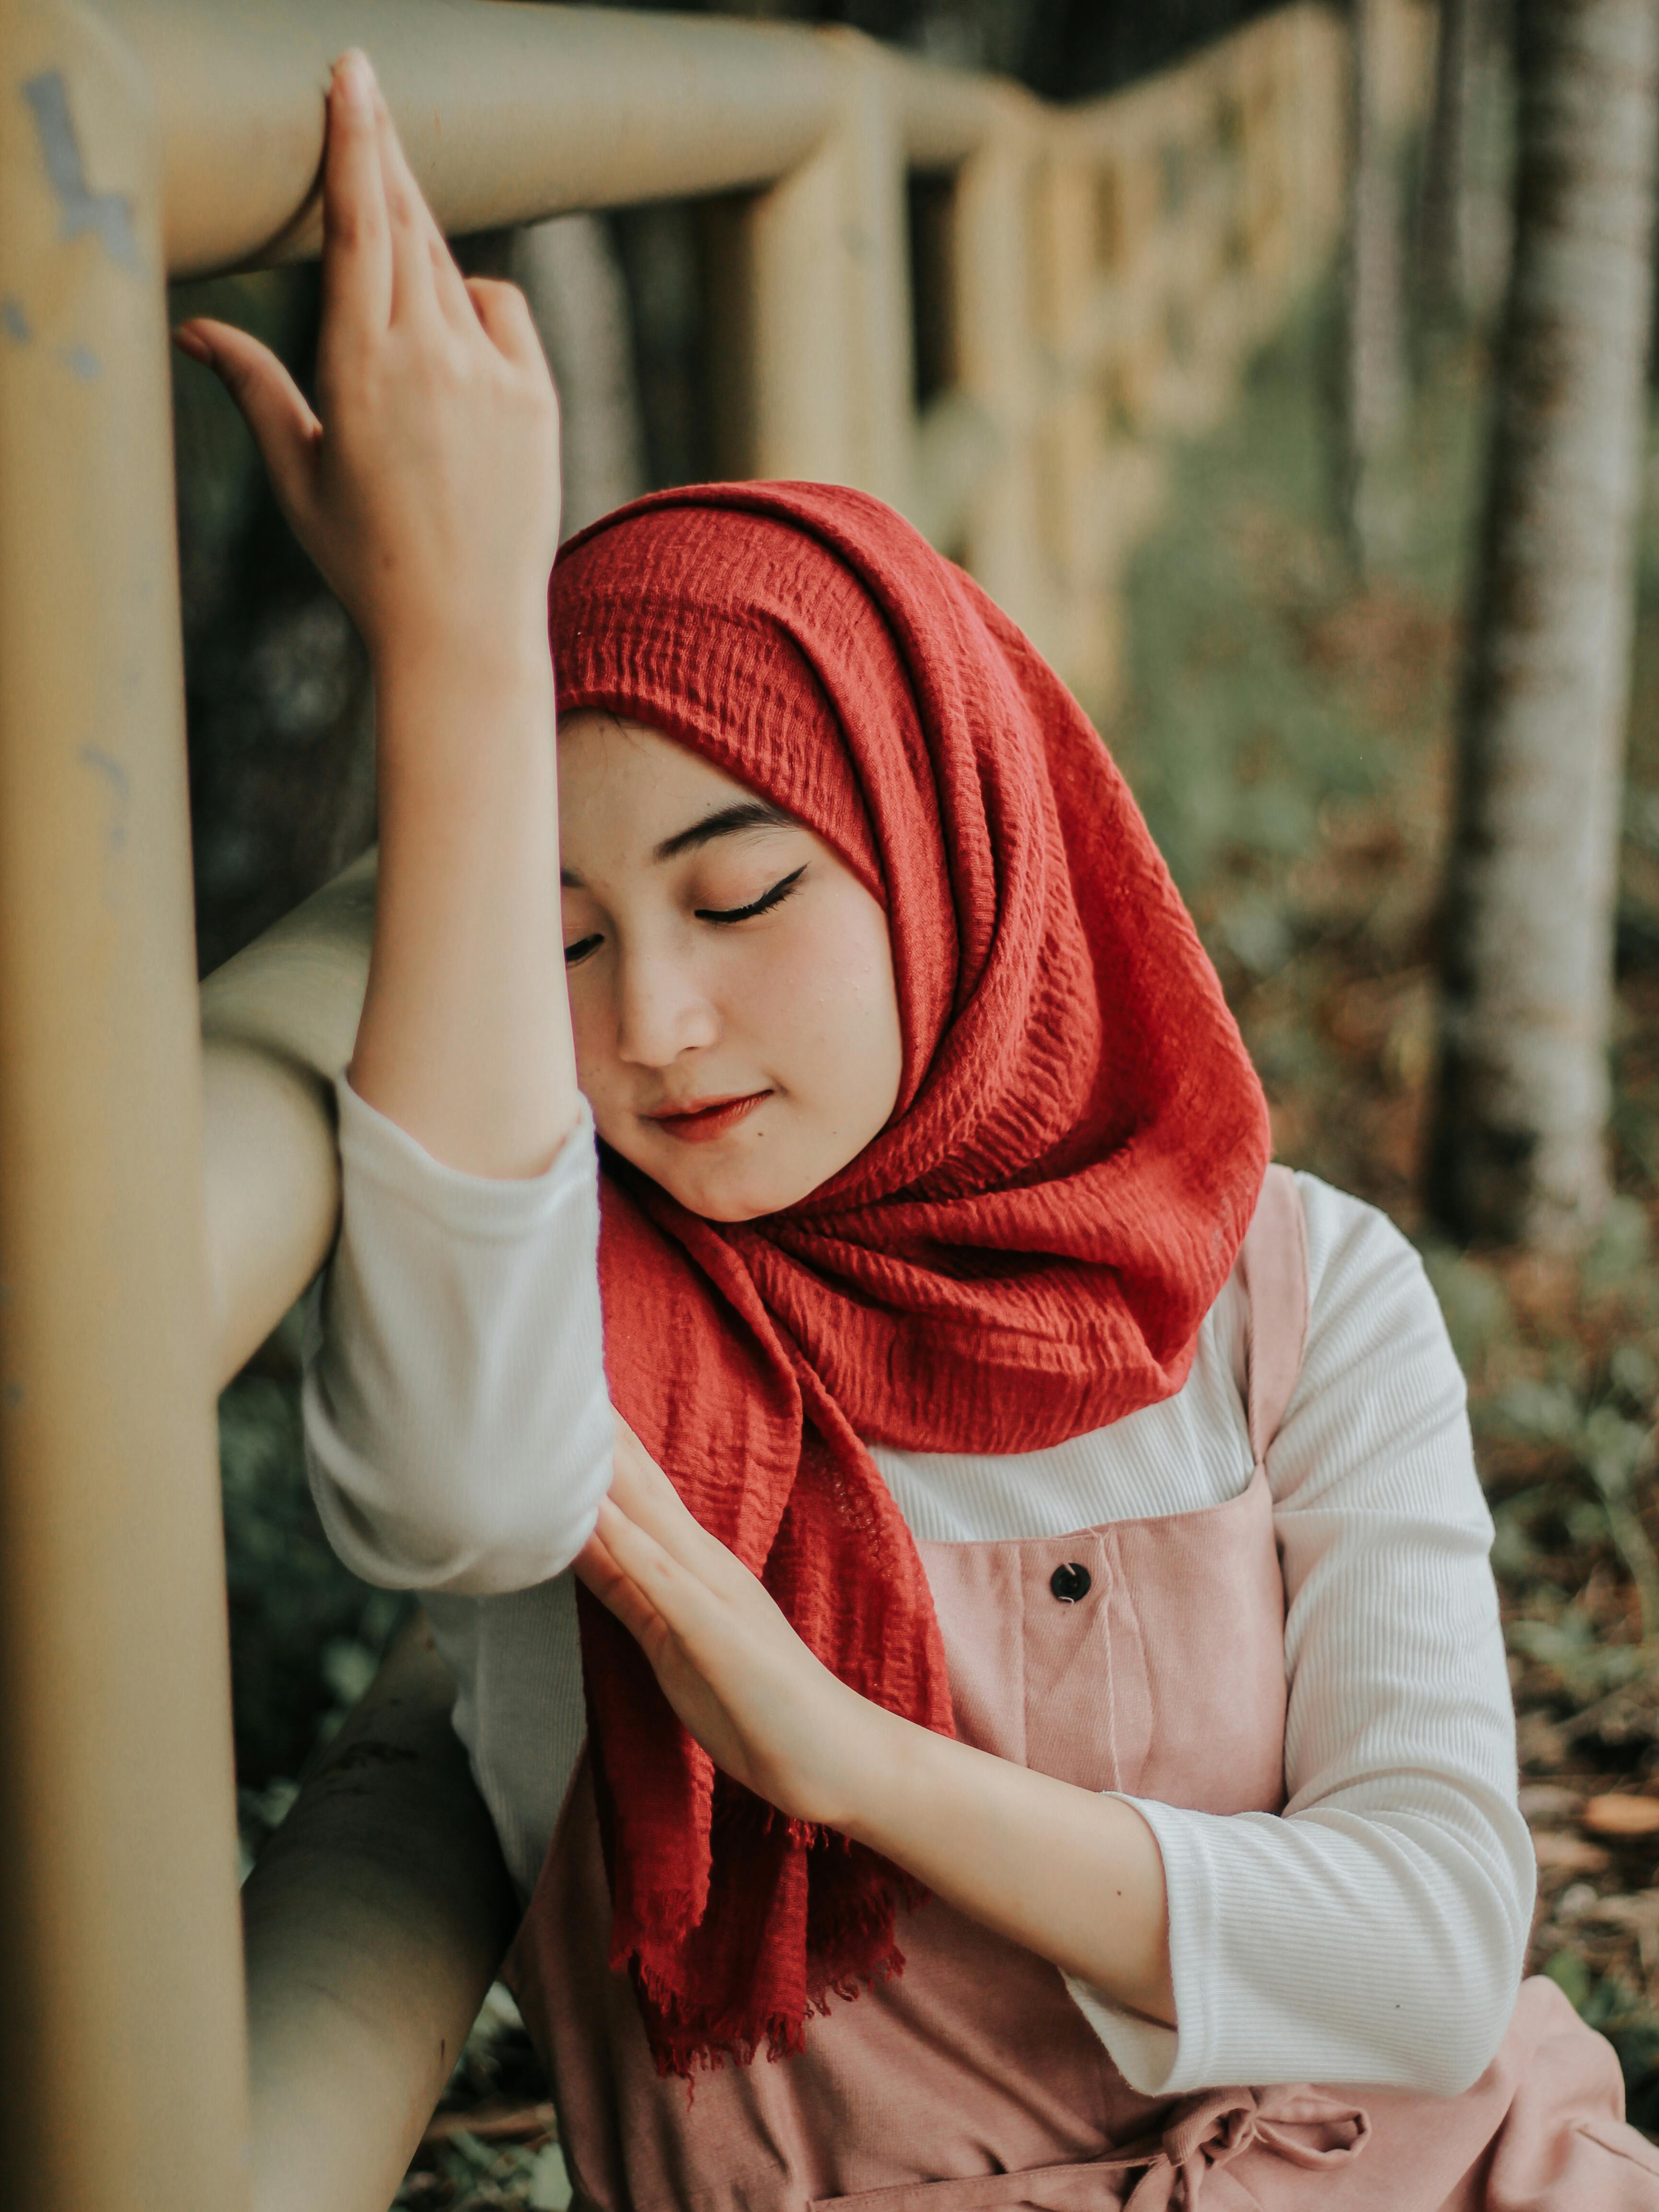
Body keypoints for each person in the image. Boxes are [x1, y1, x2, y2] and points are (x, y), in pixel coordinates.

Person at [179, 49, 1659, 2208]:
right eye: (555, 940)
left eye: (748, 892)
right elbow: (460, 1490)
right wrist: (453, 655)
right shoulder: (587, 1309)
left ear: (952, 850)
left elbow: (1438, 1963)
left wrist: (847, 1759)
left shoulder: (1288, 1290)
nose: (658, 1025)